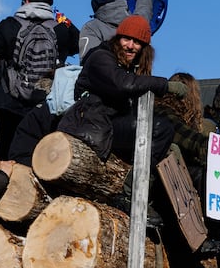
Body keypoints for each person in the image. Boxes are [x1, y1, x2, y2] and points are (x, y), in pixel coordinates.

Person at [0, 0, 80, 159]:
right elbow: (79, 43)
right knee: (43, 158)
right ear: (49, 5)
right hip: (46, 105)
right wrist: (66, 22)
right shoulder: (60, 29)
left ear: (25, 2)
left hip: (11, 104)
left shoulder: (9, 25)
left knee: (6, 156)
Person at [75, 14, 184, 167]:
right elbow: (122, 84)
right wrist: (165, 85)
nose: (131, 45)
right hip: (89, 123)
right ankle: (130, 188)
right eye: (126, 39)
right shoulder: (101, 57)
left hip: (107, 124)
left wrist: (165, 145)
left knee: (163, 128)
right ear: (117, 39)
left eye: (137, 41)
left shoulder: (131, 69)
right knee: (160, 127)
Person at [77, 0, 152, 63]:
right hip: (134, 76)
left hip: (108, 74)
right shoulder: (135, 23)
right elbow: (145, 8)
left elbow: (89, 60)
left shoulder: (91, 28)